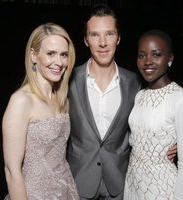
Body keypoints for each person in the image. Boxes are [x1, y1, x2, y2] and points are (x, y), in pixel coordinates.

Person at [66, 4, 177, 200]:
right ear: (85, 40)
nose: (102, 42)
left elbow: (154, 116)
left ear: (118, 38)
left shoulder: (135, 82)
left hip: (120, 184)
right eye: (94, 35)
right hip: (78, 182)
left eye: (109, 34)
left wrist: (175, 140)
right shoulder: (69, 80)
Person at [2, 22, 79, 200]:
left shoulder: (61, 99)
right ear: (34, 55)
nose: (59, 62)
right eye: (51, 54)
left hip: (66, 192)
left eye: (64, 55)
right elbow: (12, 170)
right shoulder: (21, 101)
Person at [124, 29, 183, 199]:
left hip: (162, 188)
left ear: (170, 59)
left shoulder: (179, 97)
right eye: (142, 55)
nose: (147, 61)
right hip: (133, 183)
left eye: (156, 55)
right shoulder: (139, 95)